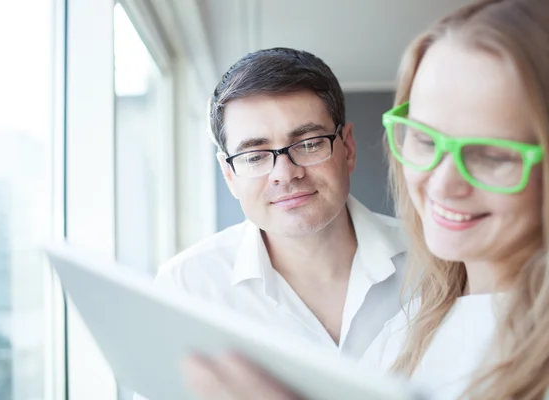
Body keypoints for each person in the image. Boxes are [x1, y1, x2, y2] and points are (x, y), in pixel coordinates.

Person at [181, 0, 549, 399]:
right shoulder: (414, 327)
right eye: (425, 140)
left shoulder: (418, 290)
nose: (443, 185)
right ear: (229, 174)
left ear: (348, 147)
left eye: (492, 154)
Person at [152, 48, 408, 358]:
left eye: (309, 144)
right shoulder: (187, 287)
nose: (285, 174)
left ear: (348, 148)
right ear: (229, 174)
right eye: (255, 156)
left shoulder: (434, 263)